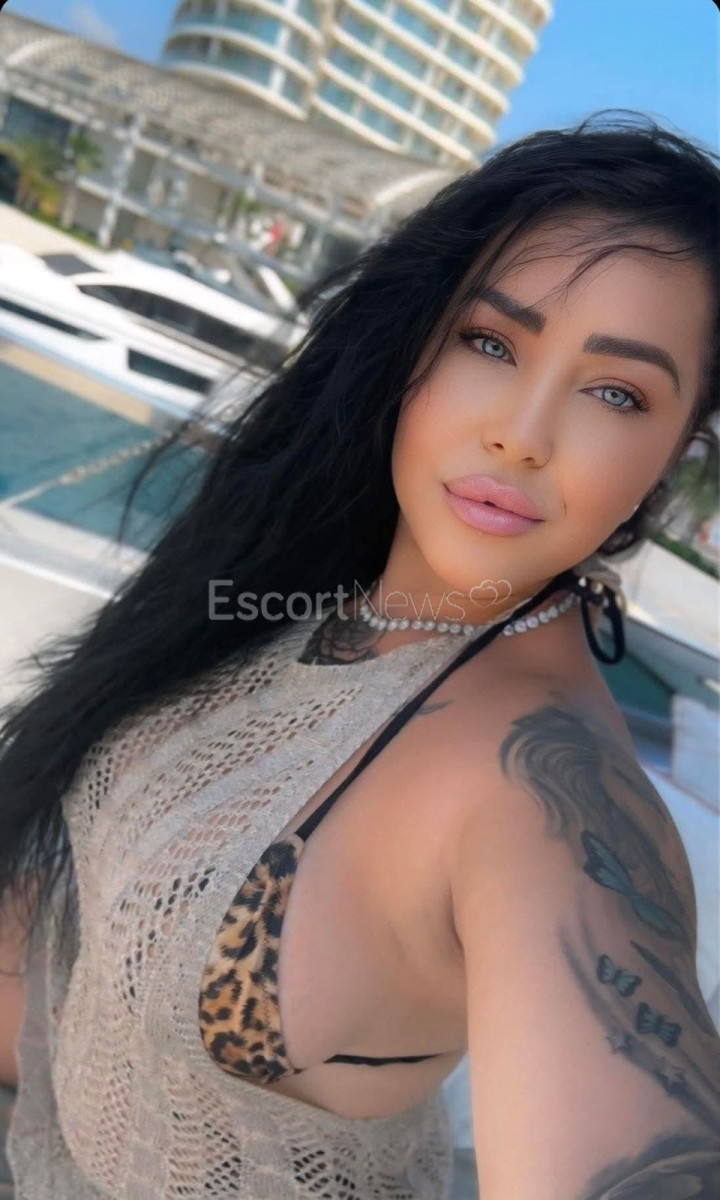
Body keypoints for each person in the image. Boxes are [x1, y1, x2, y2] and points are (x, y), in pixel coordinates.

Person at [1, 111, 719, 1199]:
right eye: (491, 342)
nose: (522, 434)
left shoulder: (545, 793)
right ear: (413, 344)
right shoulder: (300, 592)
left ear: (671, 455)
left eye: (618, 393)